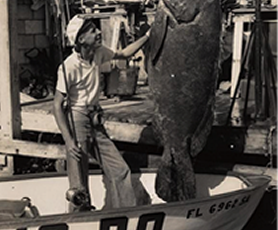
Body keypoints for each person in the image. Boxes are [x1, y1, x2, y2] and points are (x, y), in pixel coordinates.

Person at [53, 15, 150, 212]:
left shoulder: (99, 53)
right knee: (79, 185)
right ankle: (79, 220)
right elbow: (57, 105)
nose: (98, 33)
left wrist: (148, 36)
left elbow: (124, 54)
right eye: (92, 31)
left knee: (120, 170)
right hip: (77, 119)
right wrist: (69, 141)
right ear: (81, 39)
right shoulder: (68, 66)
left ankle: (126, 215)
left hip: (95, 119)